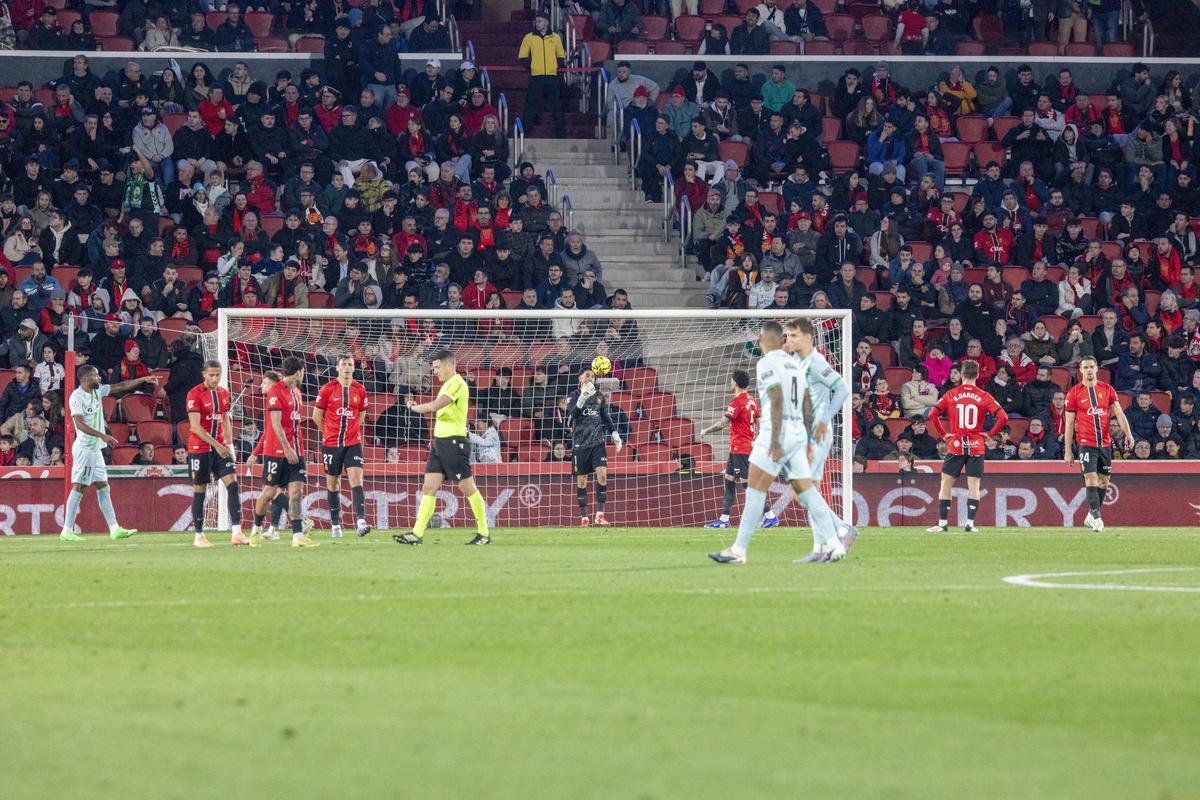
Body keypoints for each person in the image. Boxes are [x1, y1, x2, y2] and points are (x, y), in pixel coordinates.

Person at [709, 321, 854, 565]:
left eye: (759, 336)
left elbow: (775, 398)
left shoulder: (766, 362)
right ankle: (835, 540)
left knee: (755, 488)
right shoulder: (795, 364)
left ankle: (738, 550)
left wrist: (775, 440)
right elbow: (807, 401)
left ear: (765, 340)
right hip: (797, 432)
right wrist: (807, 439)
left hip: (777, 433)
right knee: (805, 489)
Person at [760, 318, 852, 545]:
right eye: (787, 335)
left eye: (793, 336)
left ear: (808, 338)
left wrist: (826, 419)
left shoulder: (817, 362)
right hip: (806, 433)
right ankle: (821, 546)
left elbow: (842, 388)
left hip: (817, 433)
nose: (788, 339)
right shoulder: (798, 362)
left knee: (800, 491)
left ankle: (841, 529)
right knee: (811, 492)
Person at [394, 349, 493, 546]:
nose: (435, 371)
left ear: (450, 365)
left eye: (438, 367)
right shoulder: (447, 384)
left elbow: (434, 407)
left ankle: (484, 533)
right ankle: (417, 533)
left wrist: (413, 407)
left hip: (454, 442)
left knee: (467, 487)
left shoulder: (457, 383)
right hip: (440, 443)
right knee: (428, 487)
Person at [59, 365, 158, 541]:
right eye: (95, 376)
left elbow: (120, 386)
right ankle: (67, 530)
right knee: (79, 487)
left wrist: (142, 380)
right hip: (85, 448)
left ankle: (114, 529)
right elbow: (79, 424)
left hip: (95, 449)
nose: (99, 379)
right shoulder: (77, 397)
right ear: (85, 379)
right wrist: (102, 435)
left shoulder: (97, 392)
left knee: (104, 487)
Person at [925, 360, 1009, 533]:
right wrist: (990, 433)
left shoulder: (951, 394)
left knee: (946, 482)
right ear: (978, 375)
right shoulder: (984, 396)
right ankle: (970, 523)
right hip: (976, 445)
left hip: (956, 444)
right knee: (974, 485)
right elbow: (1003, 417)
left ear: (962, 374)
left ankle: (942, 524)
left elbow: (932, 414)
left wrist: (943, 434)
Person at [249, 356, 317, 548]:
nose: (304, 374)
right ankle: (255, 529)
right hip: (277, 452)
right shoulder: (275, 391)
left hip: (297, 451)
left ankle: (297, 536)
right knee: (269, 493)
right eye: (303, 371)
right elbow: (276, 424)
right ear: (297, 372)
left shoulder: (297, 392)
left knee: (296, 492)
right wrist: (287, 448)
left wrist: (295, 449)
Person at [1063, 355, 1134, 532]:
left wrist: (1128, 434)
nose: (1088, 370)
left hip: (1105, 443)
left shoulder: (1107, 390)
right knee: (1091, 477)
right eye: (1085, 367)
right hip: (1086, 443)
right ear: (1080, 371)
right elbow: (1069, 424)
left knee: (1103, 482)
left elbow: (1119, 414)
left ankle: (1090, 515)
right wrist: (1068, 451)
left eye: (1091, 367)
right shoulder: (1074, 393)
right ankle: (1097, 517)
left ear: (1096, 369)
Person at [185, 360, 246, 548]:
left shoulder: (223, 394)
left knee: (233, 485)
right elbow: (195, 426)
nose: (215, 378)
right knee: (200, 491)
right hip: (200, 449)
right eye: (211, 375)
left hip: (220, 448)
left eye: (217, 375)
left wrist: (228, 443)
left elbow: (225, 418)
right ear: (204, 374)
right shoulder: (194, 394)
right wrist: (217, 445)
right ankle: (199, 535)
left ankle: (237, 532)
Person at [313, 354, 372, 539]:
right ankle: (335, 525)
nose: (347, 368)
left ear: (354, 368)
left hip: (353, 443)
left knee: (356, 479)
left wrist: (353, 431)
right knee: (333, 483)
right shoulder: (327, 389)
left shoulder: (360, 390)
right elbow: (316, 416)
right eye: (344, 365)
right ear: (337, 368)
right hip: (331, 444)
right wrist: (328, 431)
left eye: (350, 365)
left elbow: (361, 416)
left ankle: (361, 521)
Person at [700, 369, 758, 529]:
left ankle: (769, 515)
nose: (730, 382)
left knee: (746, 483)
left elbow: (723, 423)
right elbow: (758, 421)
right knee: (729, 479)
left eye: (732, 380)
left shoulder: (737, 401)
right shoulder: (752, 400)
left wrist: (707, 430)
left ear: (736, 383)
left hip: (741, 447)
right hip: (739, 447)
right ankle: (724, 520)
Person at [568, 367, 623, 527]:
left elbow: (605, 418)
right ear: (580, 378)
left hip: (598, 443)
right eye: (587, 375)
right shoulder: (574, 395)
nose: (590, 378)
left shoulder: (599, 397)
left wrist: (614, 434)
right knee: (582, 480)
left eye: (593, 376)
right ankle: (584, 517)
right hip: (580, 444)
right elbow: (573, 415)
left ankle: (600, 515)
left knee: (602, 475)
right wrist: (582, 399)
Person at [517, 11, 566, 139]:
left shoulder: (555, 37)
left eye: (540, 21)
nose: (537, 23)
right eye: (536, 21)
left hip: (551, 76)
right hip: (536, 76)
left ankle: (561, 134)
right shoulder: (529, 37)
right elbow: (522, 56)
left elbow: (561, 56)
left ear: (546, 22)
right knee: (530, 105)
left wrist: (554, 66)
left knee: (556, 106)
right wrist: (532, 66)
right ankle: (524, 133)